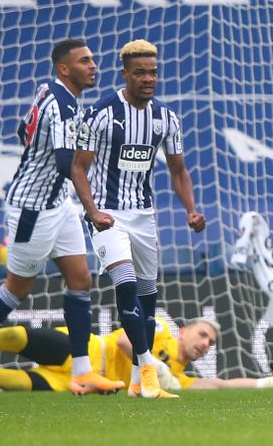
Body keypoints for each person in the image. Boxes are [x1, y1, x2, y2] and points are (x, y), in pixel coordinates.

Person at [0, 39, 124, 398]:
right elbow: (64, 163)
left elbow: (23, 133)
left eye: (93, 59)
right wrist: (91, 210)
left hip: (56, 202)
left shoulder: (50, 92)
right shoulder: (59, 105)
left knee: (80, 278)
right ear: (64, 69)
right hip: (33, 209)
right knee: (18, 289)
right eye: (84, 61)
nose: (94, 65)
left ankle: (82, 373)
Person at [71, 39, 206, 399]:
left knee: (147, 304)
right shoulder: (102, 114)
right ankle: (148, 370)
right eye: (140, 73)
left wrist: (190, 208)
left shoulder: (166, 119)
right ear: (125, 74)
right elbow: (78, 168)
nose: (149, 79)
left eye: (153, 73)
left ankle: (135, 384)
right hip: (107, 215)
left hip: (144, 216)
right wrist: (92, 211)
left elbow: (179, 171)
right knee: (126, 285)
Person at [0, 319, 273, 392]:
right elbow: (125, 340)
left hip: (80, 385)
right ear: (185, 329)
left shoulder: (179, 375)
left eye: (210, 345)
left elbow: (216, 383)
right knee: (11, 335)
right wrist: (155, 366)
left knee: (0, 379)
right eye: (202, 335)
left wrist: (270, 382)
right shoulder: (159, 330)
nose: (204, 345)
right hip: (83, 352)